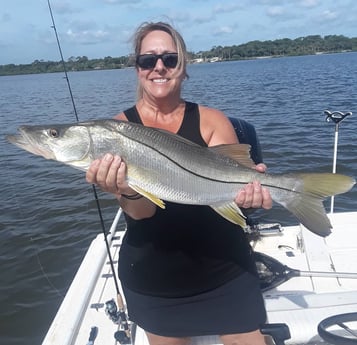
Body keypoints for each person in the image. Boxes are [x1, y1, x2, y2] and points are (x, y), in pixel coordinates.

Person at [86, 21, 273, 345]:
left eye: (169, 59)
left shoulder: (212, 120)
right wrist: (126, 188)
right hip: (156, 278)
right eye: (148, 60)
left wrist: (249, 195)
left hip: (224, 267)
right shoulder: (116, 131)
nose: (159, 66)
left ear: (183, 67)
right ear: (137, 68)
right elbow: (142, 214)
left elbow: (230, 191)